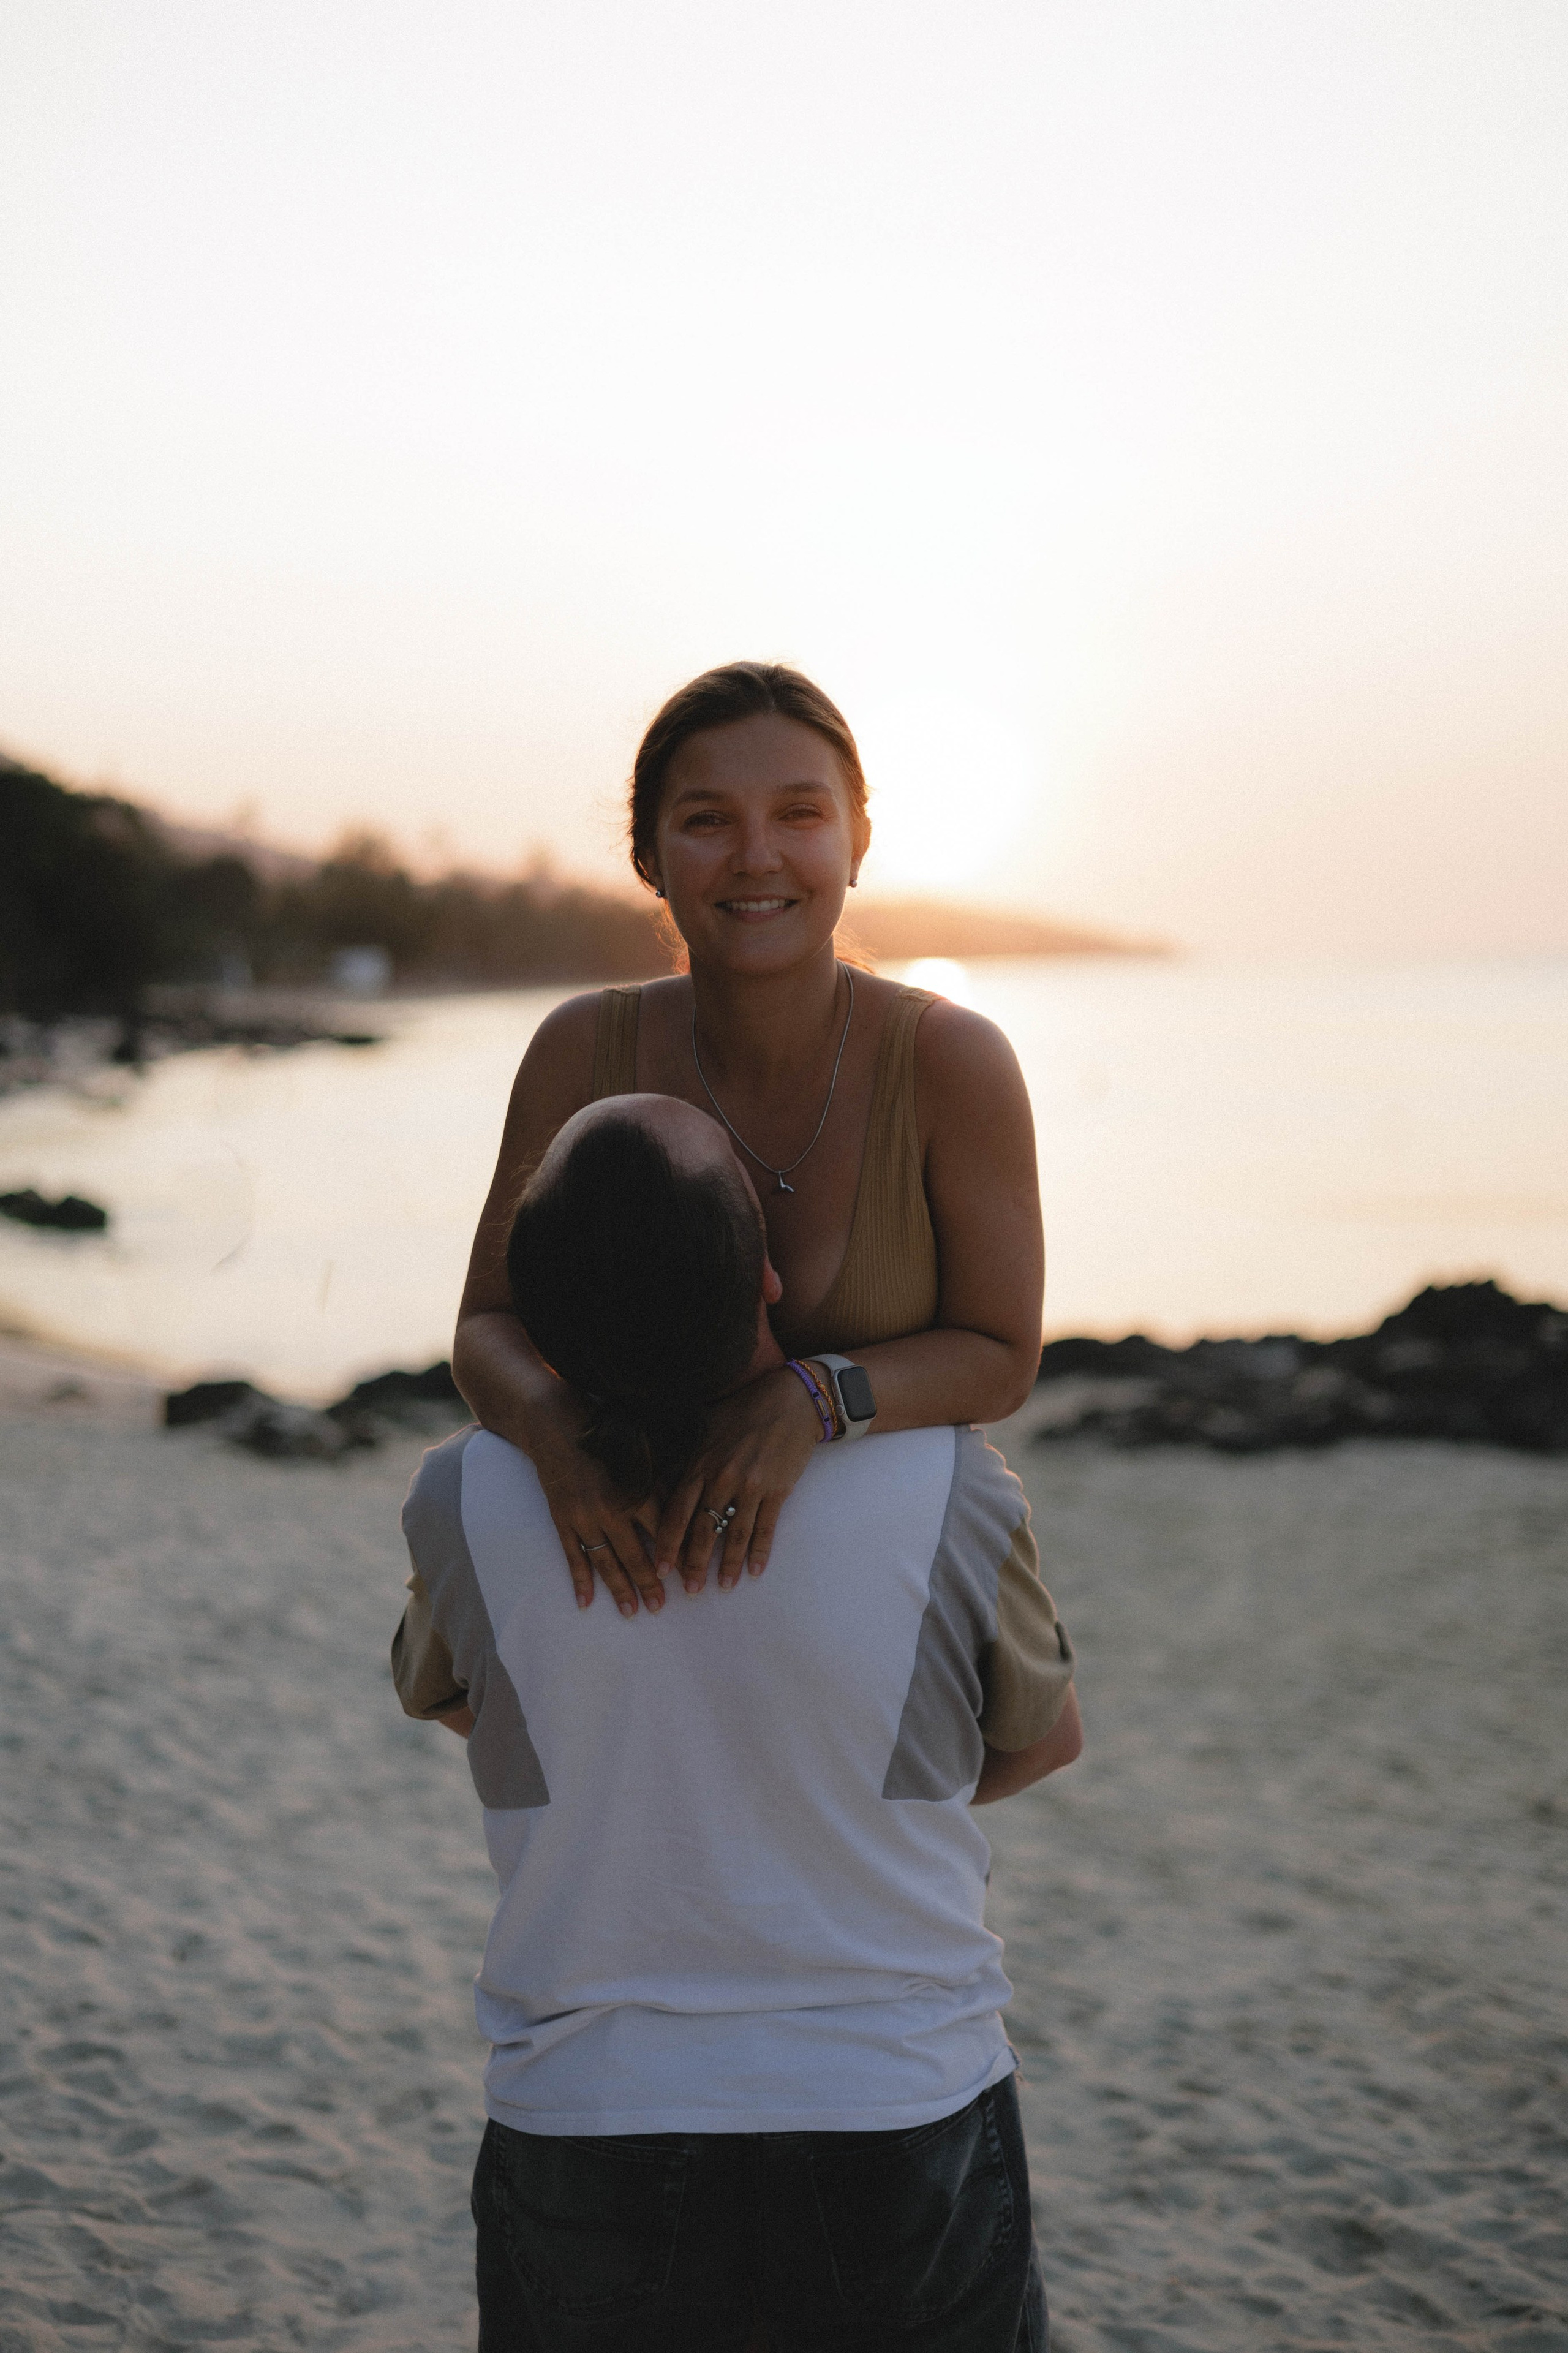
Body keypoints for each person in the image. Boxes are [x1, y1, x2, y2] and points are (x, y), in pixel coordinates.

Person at [394, 1092, 1082, 2351]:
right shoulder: (942, 1479)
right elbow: (1039, 1740)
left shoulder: (462, 1494)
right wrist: (822, 1782)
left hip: (588, 2116)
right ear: (767, 1274)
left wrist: (641, 1773)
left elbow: (463, 1705)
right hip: (894, 2102)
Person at [451, 660, 1046, 1618]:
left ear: (857, 841)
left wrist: (814, 1399)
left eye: (800, 814)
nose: (757, 855)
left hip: (892, 1604)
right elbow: (487, 1325)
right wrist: (552, 1432)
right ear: (650, 855)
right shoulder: (578, 1052)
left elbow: (1004, 1353)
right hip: (639, 1588)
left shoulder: (952, 1063)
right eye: (708, 819)